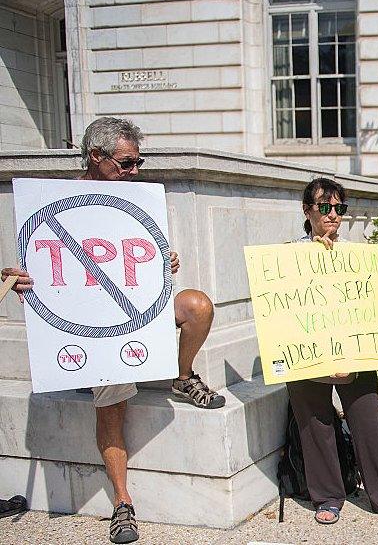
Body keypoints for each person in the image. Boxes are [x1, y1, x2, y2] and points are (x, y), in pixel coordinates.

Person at [0, 116, 224, 544]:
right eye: (125, 163)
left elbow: (137, 267)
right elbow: (33, 270)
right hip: (92, 334)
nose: (134, 170)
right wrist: (19, 278)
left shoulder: (132, 201)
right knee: (112, 402)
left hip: (136, 315)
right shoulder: (57, 202)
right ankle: (123, 503)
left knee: (197, 305)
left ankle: (181, 376)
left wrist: (162, 262)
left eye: (138, 161)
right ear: (95, 156)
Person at [286, 176, 378, 527]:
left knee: (368, 418)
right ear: (307, 210)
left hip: (356, 349)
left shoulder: (356, 253)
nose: (333, 215)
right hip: (308, 350)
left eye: (339, 208)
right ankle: (327, 496)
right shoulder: (287, 256)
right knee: (315, 422)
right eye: (324, 207)